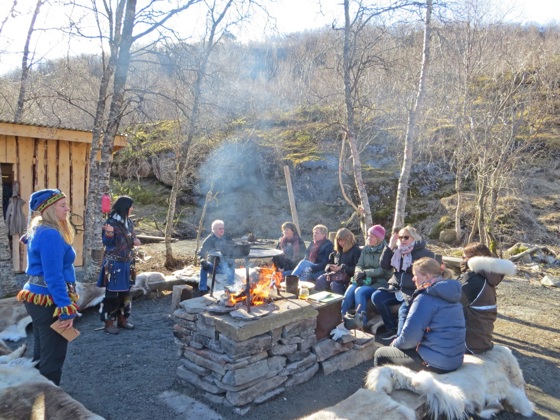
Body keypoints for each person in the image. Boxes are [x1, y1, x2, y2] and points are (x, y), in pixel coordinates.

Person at [16, 189, 78, 385]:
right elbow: (53, 276)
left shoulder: (39, 229)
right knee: (53, 356)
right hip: (48, 300)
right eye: (62, 205)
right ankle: (50, 402)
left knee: (43, 350)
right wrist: (65, 308)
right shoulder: (50, 234)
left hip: (36, 297)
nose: (67, 209)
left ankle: (37, 392)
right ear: (49, 209)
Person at [373, 257, 466, 374]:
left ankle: (382, 391)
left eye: (415, 275)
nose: (413, 279)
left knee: (381, 353)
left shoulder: (425, 297)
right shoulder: (451, 294)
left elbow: (409, 339)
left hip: (436, 364)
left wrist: (394, 344)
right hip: (454, 360)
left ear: (426, 276)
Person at [371, 225, 434, 341]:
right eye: (400, 238)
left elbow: (428, 273)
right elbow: (384, 265)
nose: (402, 240)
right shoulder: (397, 251)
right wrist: (390, 246)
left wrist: (408, 266)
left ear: (414, 238)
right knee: (377, 297)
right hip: (395, 288)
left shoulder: (424, 253)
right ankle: (391, 327)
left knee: (403, 311)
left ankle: (401, 336)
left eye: (406, 237)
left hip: (412, 291)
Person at [460, 242, 516, 354]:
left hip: (468, 342)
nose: (461, 260)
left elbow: (448, 301)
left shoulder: (474, 280)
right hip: (481, 339)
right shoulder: (488, 278)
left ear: (472, 259)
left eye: (463, 257)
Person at [97, 196, 141, 334]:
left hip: (127, 263)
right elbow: (107, 243)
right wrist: (109, 234)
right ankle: (109, 323)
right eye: (131, 206)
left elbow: (131, 235)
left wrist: (135, 239)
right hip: (114, 264)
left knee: (126, 293)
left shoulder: (129, 222)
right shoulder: (111, 223)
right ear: (125, 207)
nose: (132, 209)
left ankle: (123, 320)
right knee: (111, 294)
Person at [341, 225, 392, 321]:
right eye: (368, 236)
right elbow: (359, 264)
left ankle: (360, 322)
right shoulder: (366, 249)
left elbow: (383, 271)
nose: (368, 238)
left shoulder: (386, 251)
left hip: (380, 281)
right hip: (364, 278)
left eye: (371, 237)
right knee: (350, 290)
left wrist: (365, 273)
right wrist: (358, 272)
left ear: (378, 239)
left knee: (359, 291)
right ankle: (342, 319)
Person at [315, 228, 361, 295]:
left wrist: (342, 267)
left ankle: (338, 304)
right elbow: (328, 263)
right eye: (339, 241)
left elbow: (357, 269)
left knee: (334, 285)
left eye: (343, 241)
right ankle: (319, 302)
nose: (341, 243)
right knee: (320, 279)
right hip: (334, 275)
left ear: (348, 240)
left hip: (347, 279)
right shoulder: (337, 250)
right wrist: (330, 267)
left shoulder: (356, 250)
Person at [196, 219, 235, 296]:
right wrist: (202, 260)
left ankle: (231, 287)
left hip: (225, 266)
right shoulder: (209, 239)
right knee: (203, 267)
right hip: (213, 266)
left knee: (232, 265)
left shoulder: (227, 238)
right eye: (220, 228)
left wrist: (231, 259)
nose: (222, 230)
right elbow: (201, 252)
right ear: (214, 230)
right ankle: (202, 289)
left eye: (223, 228)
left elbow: (234, 249)